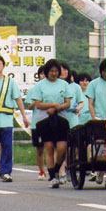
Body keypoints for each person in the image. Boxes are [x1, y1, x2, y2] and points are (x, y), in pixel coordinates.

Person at [26, 59, 71, 188]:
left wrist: (57, 108)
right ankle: (52, 176)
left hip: (61, 119)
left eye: (56, 71)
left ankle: (56, 169)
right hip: (44, 120)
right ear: (47, 72)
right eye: (51, 71)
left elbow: (67, 103)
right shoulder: (40, 86)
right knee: (49, 148)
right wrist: (52, 105)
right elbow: (38, 104)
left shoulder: (64, 84)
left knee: (62, 148)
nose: (54, 73)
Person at [86, 59, 106, 188]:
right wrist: (94, 117)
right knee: (99, 144)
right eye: (104, 71)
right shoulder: (94, 84)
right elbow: (91, 103)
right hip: (99, 119)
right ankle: (100, 171)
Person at [27, 66, 47, 179]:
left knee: (51, 147)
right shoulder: (33, 90)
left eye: (45, 73)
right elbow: (29, 106)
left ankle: (53, 170)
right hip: (37, 123)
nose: (43, 76)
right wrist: (37, 101)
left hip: (50, 123)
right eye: (41, 74)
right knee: (39, 149)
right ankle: (41, 171)